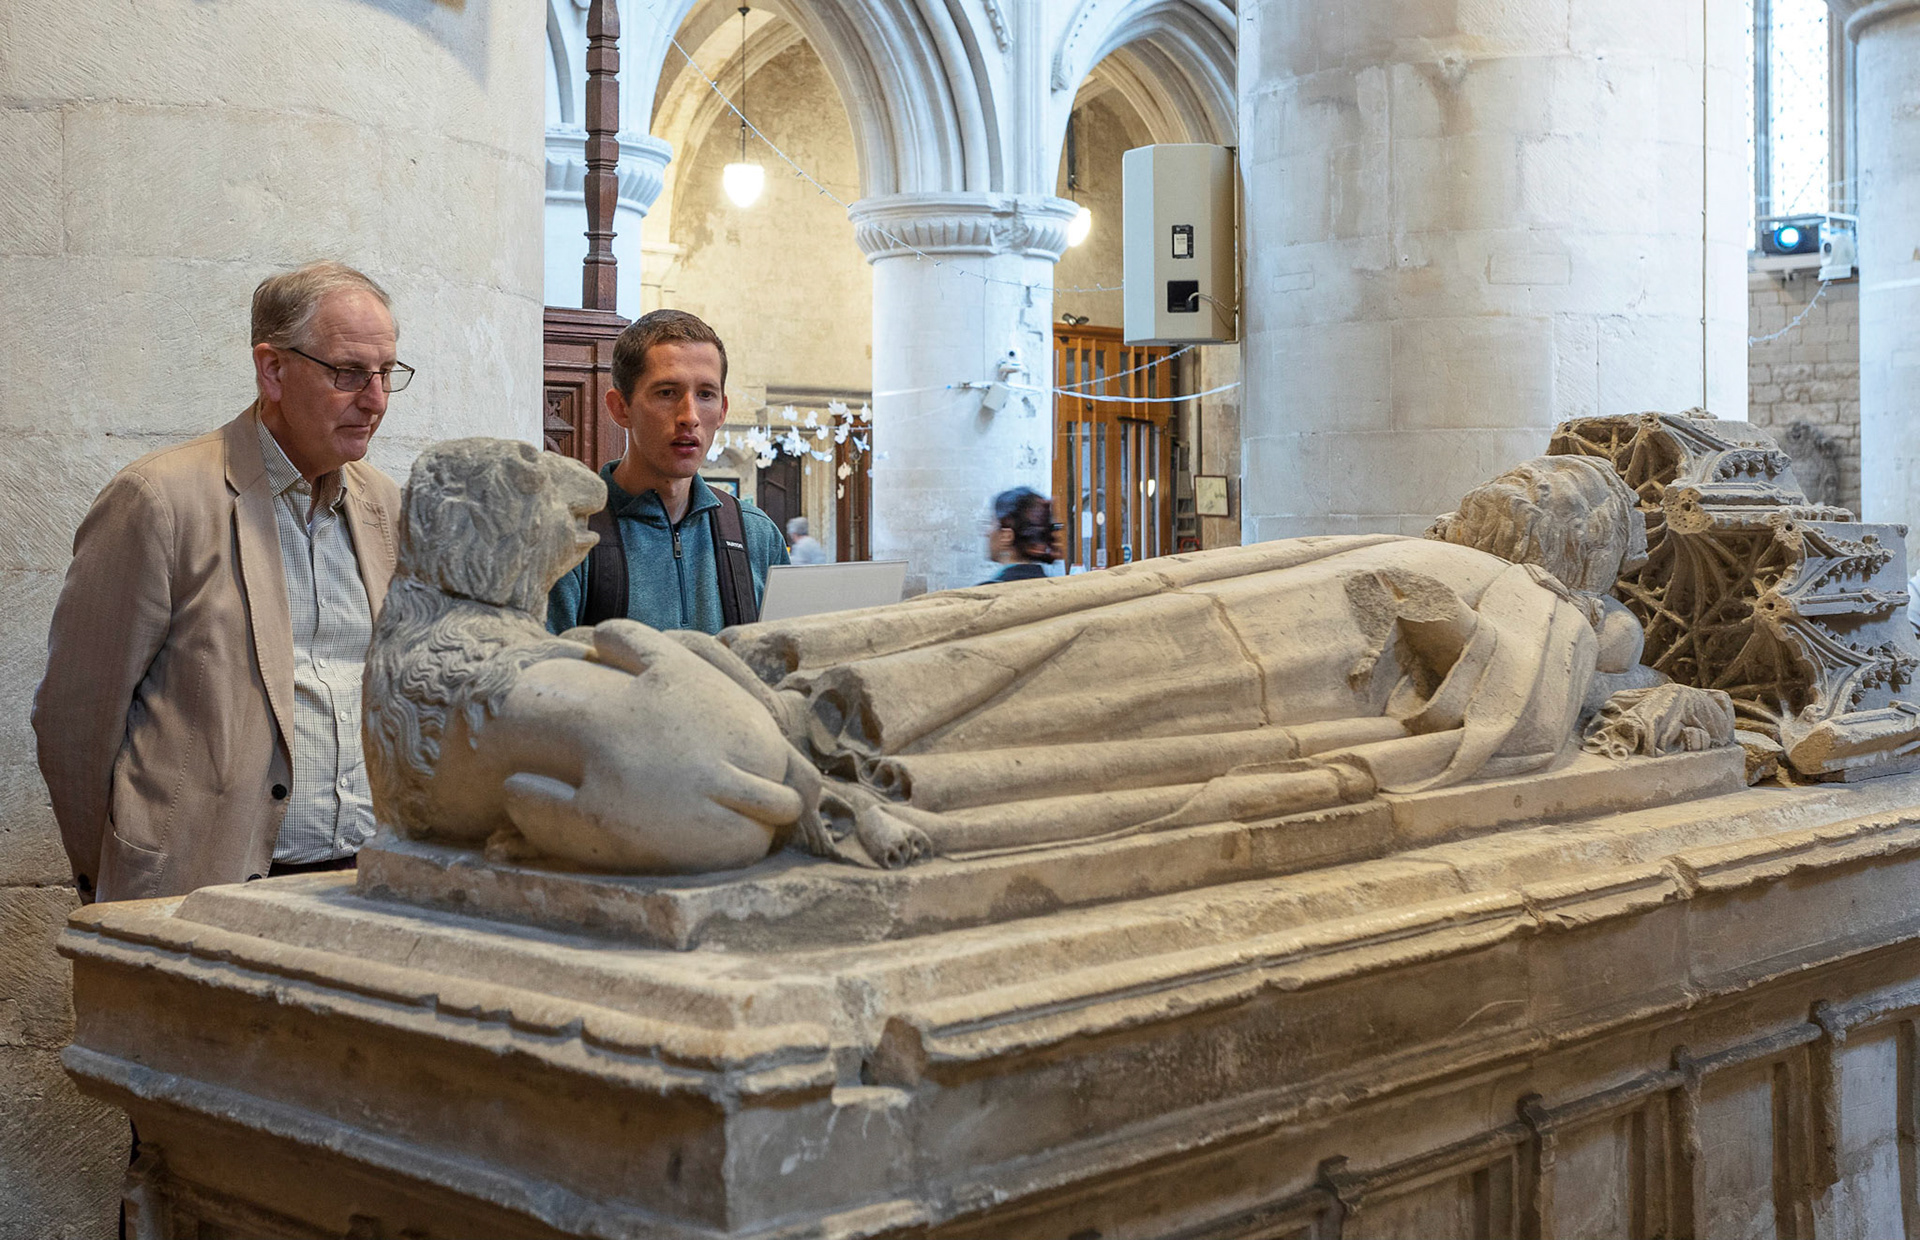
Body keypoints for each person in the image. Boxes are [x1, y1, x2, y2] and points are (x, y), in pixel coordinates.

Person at [34, 261, 407, 902]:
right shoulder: (160, 499)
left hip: (360, 880)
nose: (374, 399)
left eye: (385, 374)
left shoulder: (383, 504)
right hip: (206, 884)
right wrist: (122, 866)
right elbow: (76, 718)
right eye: (348, 373)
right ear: (272, 369)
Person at [547, 309, 787, 635]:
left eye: (705, 394)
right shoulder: (568, 535)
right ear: (621, 408)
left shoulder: (756, 535)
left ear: (722, 411)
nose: (689, 416)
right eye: (666, 393)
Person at [982, 486, 1058, 583]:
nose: (987, 533)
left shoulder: (986, 593)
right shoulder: (1054, 588)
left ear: (1006, 536)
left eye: (991, 522)